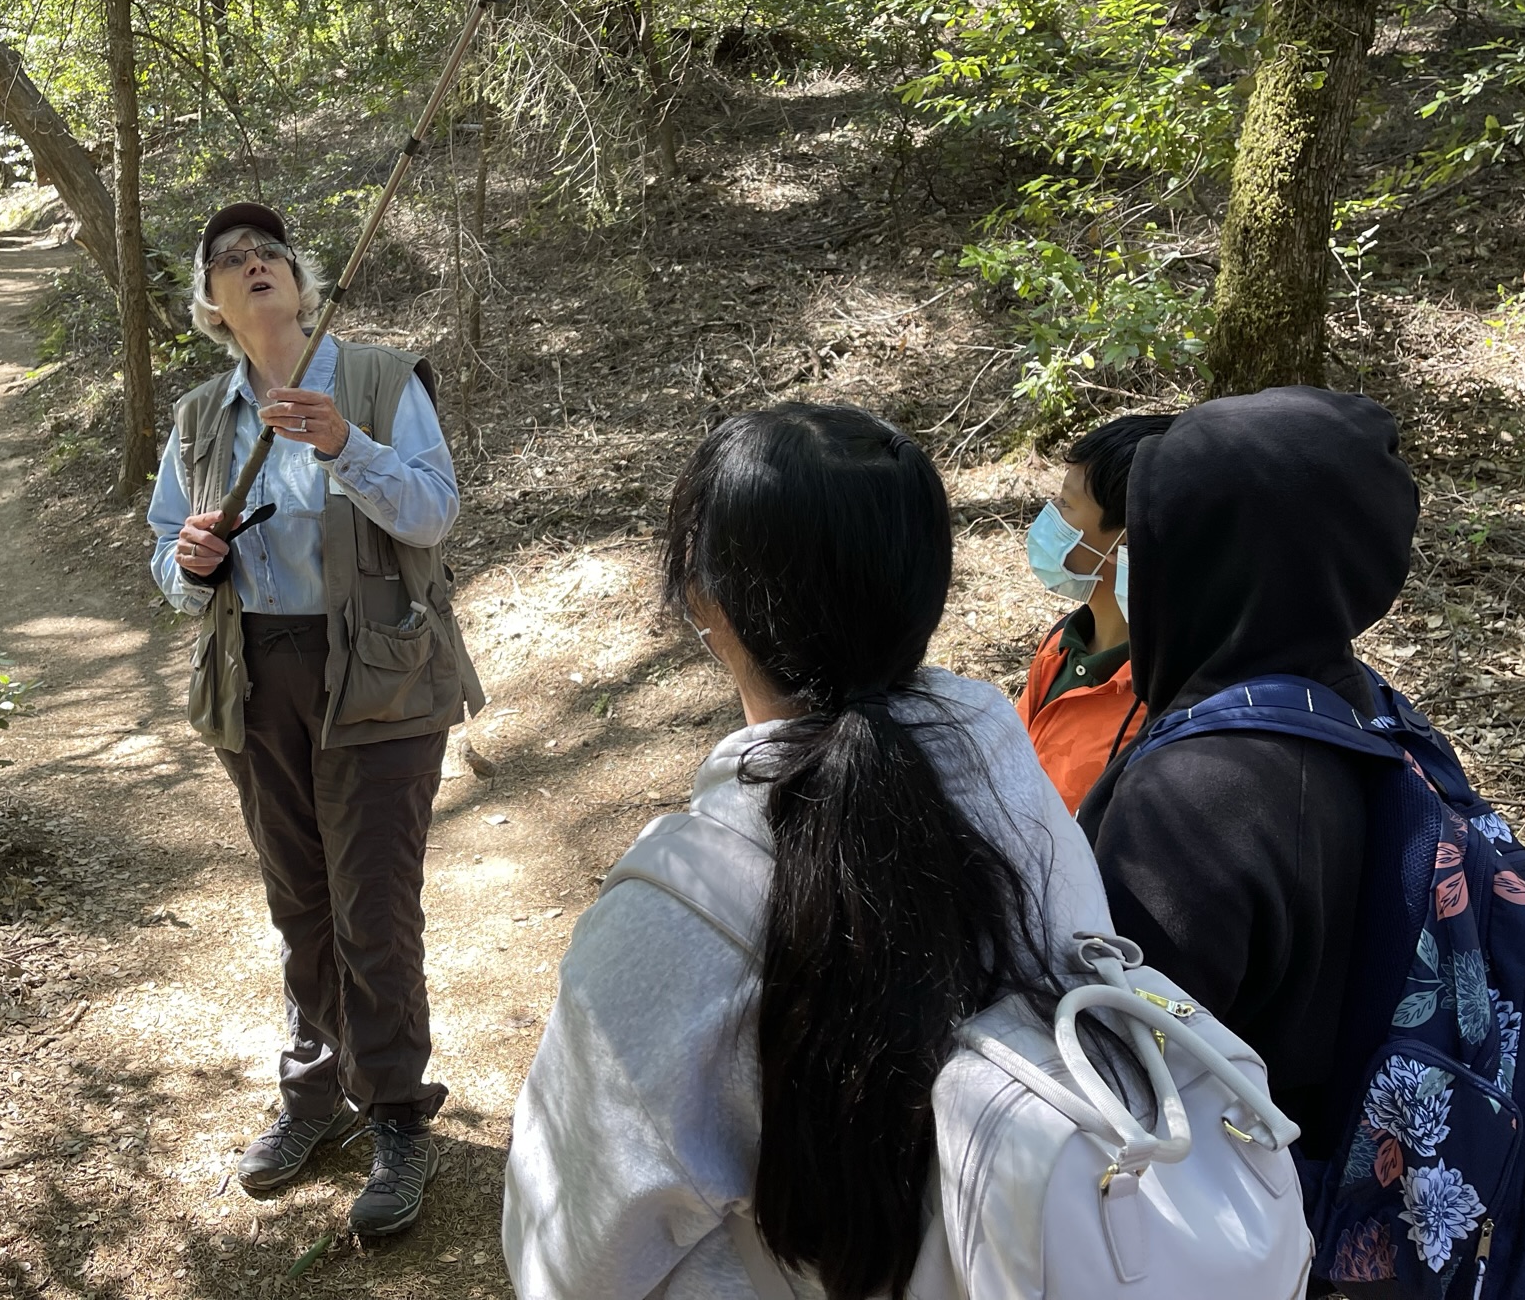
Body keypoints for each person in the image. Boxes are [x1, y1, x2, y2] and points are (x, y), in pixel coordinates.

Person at [502, 403, 1115, 1299]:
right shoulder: (1014, 776)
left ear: (707, 600)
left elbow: (571, 1255)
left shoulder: (676, 909)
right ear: (923, 587)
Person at [146, 201, 484, 1234]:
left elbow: (432, 511)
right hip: (254, 680)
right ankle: (314, 1093)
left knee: (370, 904)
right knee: (298, 898)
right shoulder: (204, 416)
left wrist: (348, 447)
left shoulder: (378, 380)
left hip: (377, 672)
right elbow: (168, 557)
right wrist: (188, 565)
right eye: (229, 261)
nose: (252, 267)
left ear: (299, 278)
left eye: (268, 254)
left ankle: (394, 1114)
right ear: (209, 300)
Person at [1076, 387, 1419, 1160]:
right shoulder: (1353, 705)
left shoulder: (1199, 799)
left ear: (1208, 556)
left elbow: (1108, 1066)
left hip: (1226, 1208)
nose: (1133, 562)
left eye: (1151, 538)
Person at [1015, 413, 1175, 811]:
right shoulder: (1064, 641)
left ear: (1131, 534)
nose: (1049, 516)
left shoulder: (1163, 698)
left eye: (1065, 505)